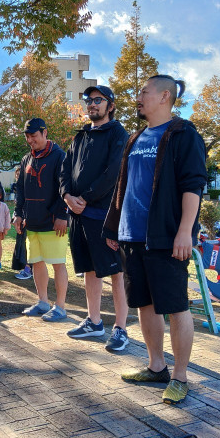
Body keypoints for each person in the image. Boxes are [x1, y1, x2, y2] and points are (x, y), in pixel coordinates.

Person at [104, 74, 207, 404]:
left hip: (165, 237)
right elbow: (124, 185)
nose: (138, 97)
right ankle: (156, 367)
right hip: (132, 237)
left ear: (164, 96)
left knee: (175, 306)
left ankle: (180, 376)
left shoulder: (183, 134)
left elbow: (193, 185)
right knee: (144, 303)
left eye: (144, 92)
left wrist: (184, 231)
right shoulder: (135, 138)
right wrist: (114, 228)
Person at [60, 85, 130, 351]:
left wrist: (85, 198)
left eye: (98, 100)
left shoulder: (118, 134)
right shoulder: (80, 136)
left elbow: (114, 173)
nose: (92, 104)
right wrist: (67, 196)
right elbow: (64, 170)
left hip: (105, 216)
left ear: (110, 105)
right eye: (88, 100)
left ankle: (121, 328)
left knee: (116, 272)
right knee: (89, 269)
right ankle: (94, 322)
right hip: (78, 215)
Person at [15, 118, 69, 321]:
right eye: (27, 137)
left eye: (34, 136)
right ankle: (43, 302)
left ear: (45, 133)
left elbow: (66, 188)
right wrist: (18, 214)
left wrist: (62, 215)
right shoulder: (26, 159)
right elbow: (20, 189)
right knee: (36, 262)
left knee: (57, 264)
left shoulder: (59, 156)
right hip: (32, 221)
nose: (30, 140)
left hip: (54, 222)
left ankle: (60, 307)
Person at [11, 167, 33, 280]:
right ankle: (24, 267)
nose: (18, 177)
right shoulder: (18, 189)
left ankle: (28, 269)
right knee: (21, 244)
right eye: (17, 175)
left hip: (29, 219)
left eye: (20, 174)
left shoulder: (29, 188)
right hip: (20, 220)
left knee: (28, 245)